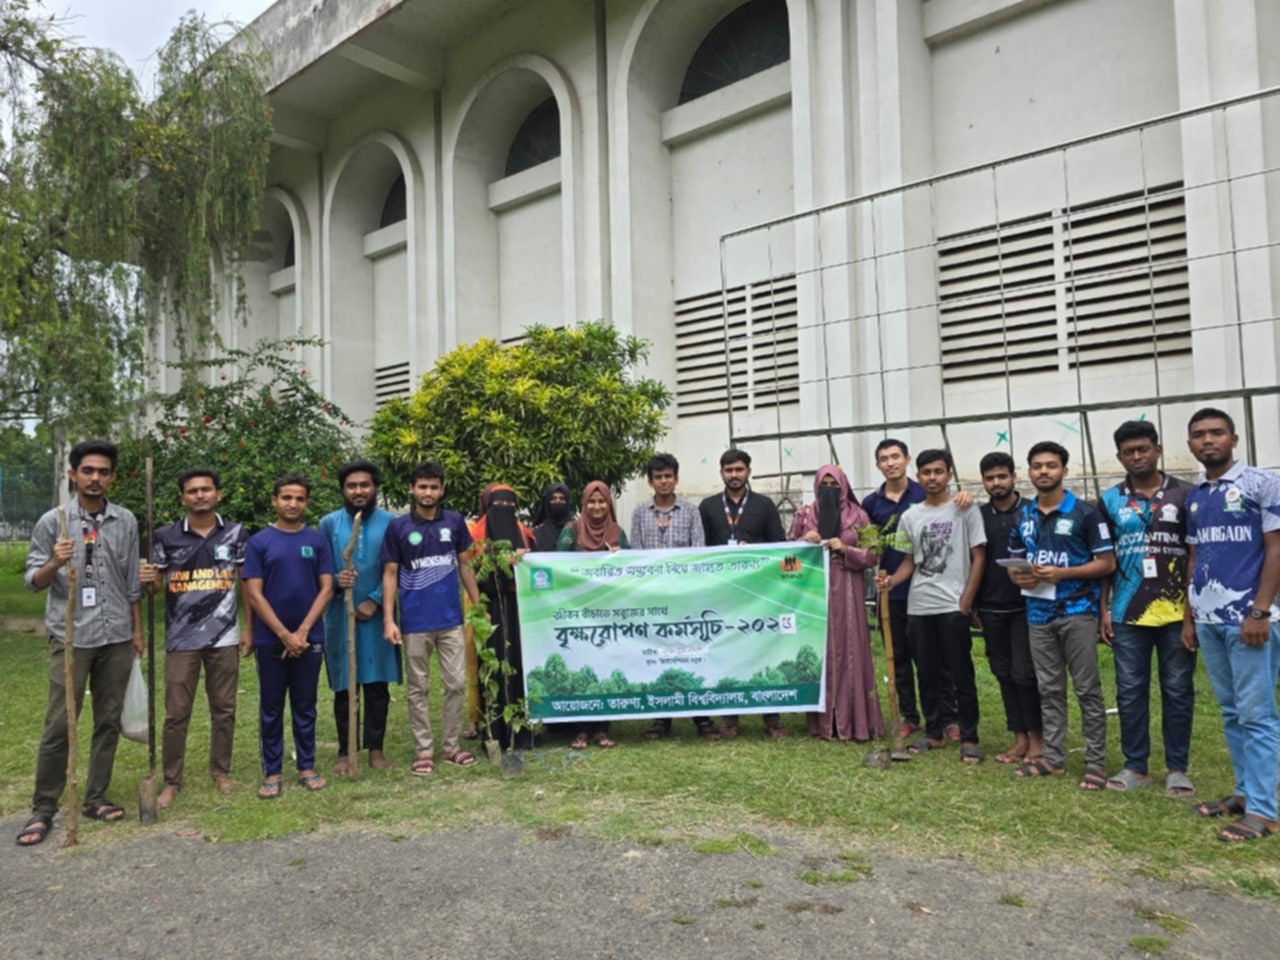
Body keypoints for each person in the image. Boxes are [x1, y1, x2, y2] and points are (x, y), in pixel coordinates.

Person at [17, 440, 143, 847]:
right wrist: (55, 561)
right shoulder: (53, 521)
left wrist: (136, 631)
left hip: (117, 636)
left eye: (103, 472)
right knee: (60, 722)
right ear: (73, 474)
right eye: (87, 470)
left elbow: (131, 584)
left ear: (112, 477)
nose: (95, 478)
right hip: (72, 637)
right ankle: (44, 807)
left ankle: (95, 796)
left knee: (108, 720)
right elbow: (34, 583)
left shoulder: (125, 520)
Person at [1182, 407, 1280, 842]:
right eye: (1200, 435)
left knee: (1258, 715)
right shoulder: (1196, 495)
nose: (1208, 440)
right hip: (1208, 619)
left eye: (1217, 433)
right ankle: (1243, 793)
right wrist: (1190, 617)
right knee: (1231, 711)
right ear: (1190, 444)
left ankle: (1264, 811)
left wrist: (1260, 610)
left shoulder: (1262, 483)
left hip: (1250, 620)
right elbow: (1194, 557)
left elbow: (1275, 550)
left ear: (1234, 439)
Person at [141, 468, 251, 810]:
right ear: (183, 498)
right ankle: (172, 780)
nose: (200, 495)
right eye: (192, 491)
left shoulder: (235, 533)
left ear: (218, 494)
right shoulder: (165, 536)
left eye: (206, 489)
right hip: (181, 639)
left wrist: (249, 628)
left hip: (224, 636)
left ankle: (220, 771)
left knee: (224, 709)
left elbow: (245, 583)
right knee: (176, 713)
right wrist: (148, 578)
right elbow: (156, 587)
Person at [1007, 442, 1115, 789]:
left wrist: (1061, 574)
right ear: (1029, 471)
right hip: (1037, 613)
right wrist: (1021, 575)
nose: (1043, 472)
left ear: (1064, 471)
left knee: (1087, 690)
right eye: (1037, 466)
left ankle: (1096, 763)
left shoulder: (1085, 513)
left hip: (1078, 612)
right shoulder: (1022, 516)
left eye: (1051, 466)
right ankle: (1052, 758)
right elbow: (1013, 565)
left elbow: (1106, 563)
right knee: (1049, 689)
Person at [1097, 422, 1195, 797]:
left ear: (1157, 448)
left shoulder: (1186, 494)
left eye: (1142, 449)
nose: (1136, 456)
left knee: (1177, 689)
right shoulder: (1108, 501)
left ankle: (1177, 768)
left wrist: (1191, 613)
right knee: (1130, 690)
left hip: (1176, 613)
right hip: (1126, 612)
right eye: (1128, 452)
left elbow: (1194, 556)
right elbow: (1104, 560)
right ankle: (1135, 766)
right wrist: (1103, 609)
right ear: (1119, 456)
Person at [876, 450, 986, 763]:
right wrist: (892, 582)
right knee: (926, 672)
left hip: (953, 605)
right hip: (919, 605)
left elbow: (979, 556)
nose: (933, 478)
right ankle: (934, 733)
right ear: (919, 476)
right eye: (927, 472)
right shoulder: (911, 516)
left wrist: (967, 599)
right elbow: (910, 562)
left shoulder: (966, 510)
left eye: (938, 471)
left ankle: (969, 736)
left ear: (949, 474)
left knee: (959, 671)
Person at [381, 461, 481, 774]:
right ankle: (424, 751)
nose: (428, 492)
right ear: (412, 489)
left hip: (451, 620)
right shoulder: (398, 528)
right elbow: (390, 573)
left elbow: (465, 566)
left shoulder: (454, 521)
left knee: (455, 685)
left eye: (434, 487)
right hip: (414, 623)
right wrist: (388, 619)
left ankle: (451, 747)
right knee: (417, 688)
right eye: (422, 487)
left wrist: (478, 607)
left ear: (442, 489)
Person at [243, 474, 335, 799]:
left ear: (306, 503)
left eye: (299, 498)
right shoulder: (259, 543)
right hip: (272, 640)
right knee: (271, 706)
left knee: (305, 704)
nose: (292, 504)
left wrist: (303, 632)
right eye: (286, 498)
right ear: (274, 501)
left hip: (310, 638)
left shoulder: (318, 541)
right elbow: (254, 594)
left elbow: (327, 588)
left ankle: (306, 767)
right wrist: (284, 635)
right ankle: (272, 772)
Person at [864, 438, 959, 742]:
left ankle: (948, 716)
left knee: (937, 659)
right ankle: (909, 716)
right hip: (889, 591)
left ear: (907, 460)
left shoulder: (925, 492)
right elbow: (868, 544)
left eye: (895, 456)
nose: (890, 463)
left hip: (927, 590)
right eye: (883, 458)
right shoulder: (871, 504)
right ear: (878, 465)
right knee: (899, 659)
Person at [789, 465, 885, 742]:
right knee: (820, 649)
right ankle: (823, 722)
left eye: (834, 484)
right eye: (824, 484)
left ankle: (854, 721)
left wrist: (847, 549)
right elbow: (787, 555)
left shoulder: (859, 516)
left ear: (844, 486)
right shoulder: (805, 515)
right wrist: (803, 542)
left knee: (851, 647)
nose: (829, 488)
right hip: (813, 590)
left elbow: (875, 553)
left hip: (848, 587)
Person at [318, 461, 400, 777]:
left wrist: (375, 600)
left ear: (374, 488)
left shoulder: (391, 523)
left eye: (364, 485)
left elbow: (398, 568)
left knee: (377, 685)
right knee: (345, 685)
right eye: (352, 486)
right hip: (341, 615)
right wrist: (338, 580)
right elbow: (321, 570)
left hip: (379, 616)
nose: (358, 491)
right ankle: (345, 750)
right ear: (343, 490)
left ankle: (376, 750)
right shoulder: (328, 524)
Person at [699, 448, 788, 739]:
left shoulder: (765, 505)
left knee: (764, 650)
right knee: (728, 650)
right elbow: (700, 550)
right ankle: (730, 718)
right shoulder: (708, 506)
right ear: (721, 473)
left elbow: (779, 546)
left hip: (758, 592)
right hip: (723, 592)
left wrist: (756, 552)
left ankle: (771, 717)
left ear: (748, 471)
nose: (734, 475)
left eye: (739, 470)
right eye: (728, 470)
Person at [630, 453, 717, 742]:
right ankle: (661, 718)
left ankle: (701, 718)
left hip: (685, 598)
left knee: (693, 655)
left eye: (668, 476)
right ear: (650, 482)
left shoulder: (691, 511)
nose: (664, 481)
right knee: (660, 655)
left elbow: (699, 552)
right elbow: (637, 557)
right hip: (655, 599)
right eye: (658, 477)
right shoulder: (640, 512)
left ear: (676, 479)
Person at [974, 452, 1043, 766]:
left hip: (1026, 605)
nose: (996, 483)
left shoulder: (1032, 511)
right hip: (990, 606)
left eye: (1002, 476)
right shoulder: (977, 515)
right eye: (990, 478)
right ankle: (1018, 739)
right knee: (1002, 672)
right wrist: (973, 602)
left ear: (1014, 477)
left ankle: (1037, 741)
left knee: (1025, 673)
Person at [558, 480, 628, 749]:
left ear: (609, 504)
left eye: (602, 501)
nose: (597, 507)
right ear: (583, 504)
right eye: (591, 501)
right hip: (576, 614)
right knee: (579, 668)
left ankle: (601, 728)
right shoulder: (571, 531)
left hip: (607, 614)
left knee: (605, 666)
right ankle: (579, 729)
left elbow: (631, 568)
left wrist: (620, 558)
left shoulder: (617, 533)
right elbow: (556, 565)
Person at [468, 484, 534, 751]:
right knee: (493, 668)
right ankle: (493, 733)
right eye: (499, 505)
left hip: (520, 608)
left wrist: (527, 558)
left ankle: (521, 731)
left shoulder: (524, 532)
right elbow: (469, 570)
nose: (505, 510)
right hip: (489, 607)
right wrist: (496, 561)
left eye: (510, 505)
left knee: (518, 665)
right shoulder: (476, 535)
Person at [531, 482, 573, 552]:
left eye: (562, 498)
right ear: (547, 502)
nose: (557, 501)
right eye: (553, 498)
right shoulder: (537, 533)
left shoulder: (575, 530)